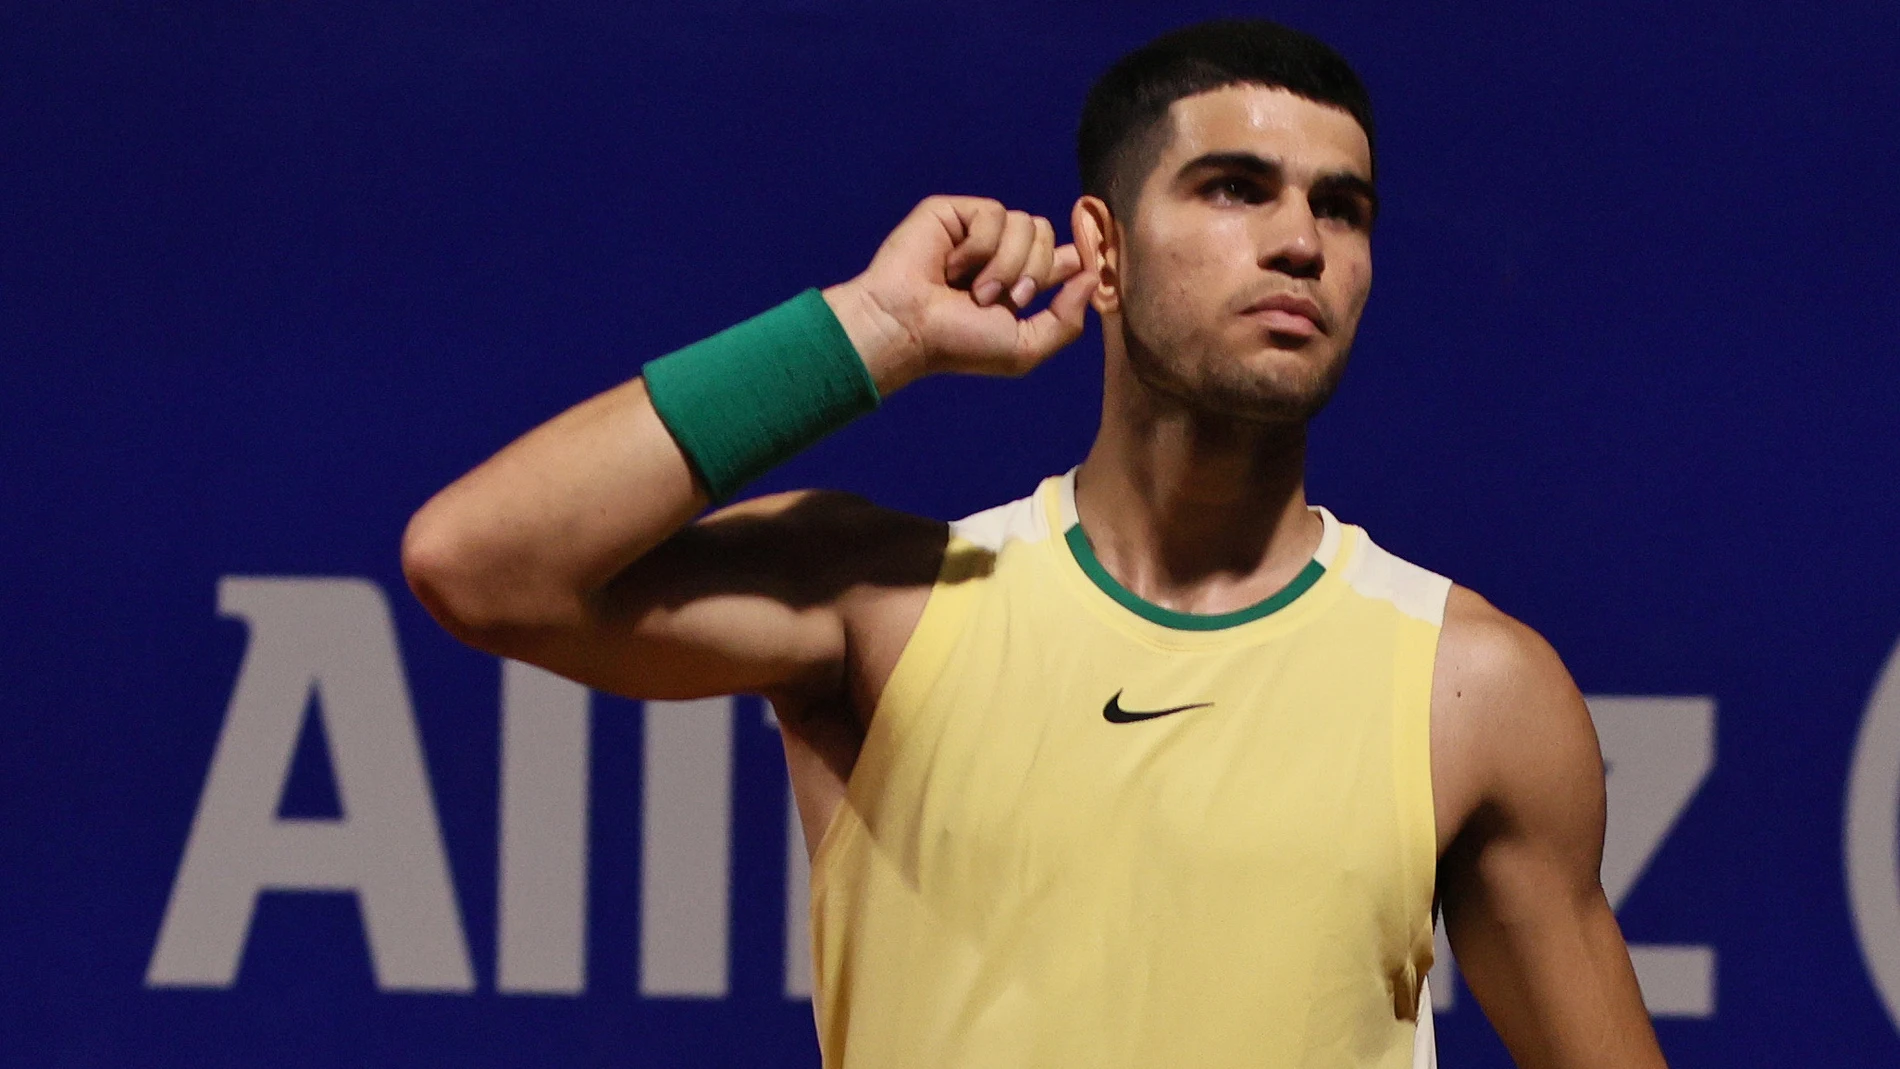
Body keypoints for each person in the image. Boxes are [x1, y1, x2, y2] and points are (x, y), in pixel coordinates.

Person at [401, 19, 1668, 1069]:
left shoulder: (1471, 688)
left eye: (1342, 209)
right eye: (1235, 189)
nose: (1301, 242)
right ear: (1100, 251)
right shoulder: (886, 604)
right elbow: (478, 563)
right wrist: (872, 330)